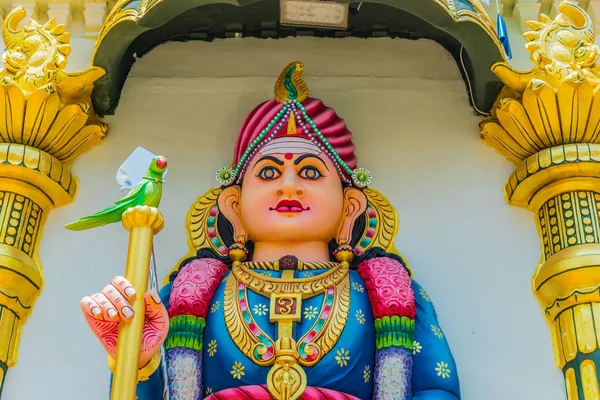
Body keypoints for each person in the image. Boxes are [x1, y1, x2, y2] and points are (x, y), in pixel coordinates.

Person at [81, 62, 461, 400]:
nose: (289, 186)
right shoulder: (188, 295)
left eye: (311, 172)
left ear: (350, 207)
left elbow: (436, 387)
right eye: (268, 173)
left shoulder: (389, 292)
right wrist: (136, 360)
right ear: (234, 205)